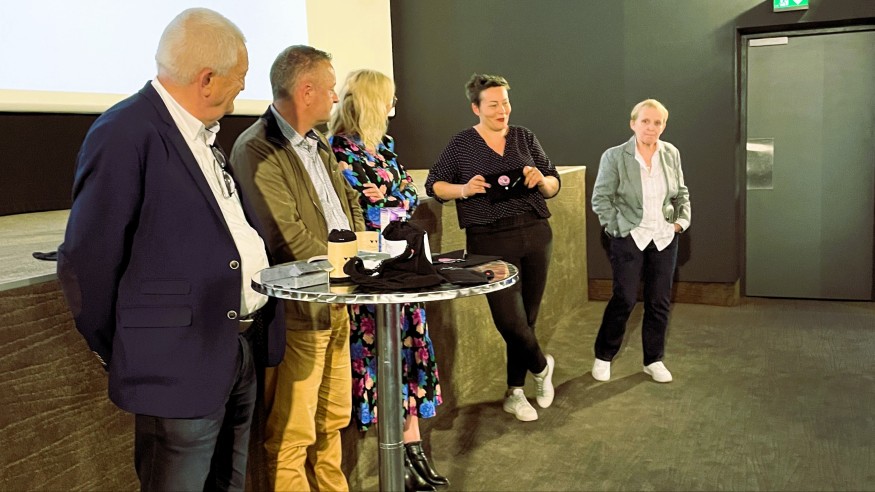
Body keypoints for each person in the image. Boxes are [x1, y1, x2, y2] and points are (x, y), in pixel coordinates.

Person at [56, 8, 286, 492]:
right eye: (240, 76)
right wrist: (128, 346)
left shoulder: (202, 135)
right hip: (176, 364)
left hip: (235, 348)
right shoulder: (125, 131)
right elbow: (87, 260)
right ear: (207, 79)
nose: (244, 88)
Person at [230, 45, 364, 492]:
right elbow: (284, 236)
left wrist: (358, 258)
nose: (335, 97)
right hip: (300, 312)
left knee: (333, 419)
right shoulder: (257, 148)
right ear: (306, 91)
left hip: (337, 301)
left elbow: (349, 207)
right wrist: (350, 267)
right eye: (329, 88)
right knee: (293, 433)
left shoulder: (318, 142)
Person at [328, 69, 447, 491]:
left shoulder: (385, 148)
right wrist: (392, 197)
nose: (394, 105)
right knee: (384, 361)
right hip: (372, 273)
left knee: (409, 357)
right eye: (389, 98)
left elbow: (409, 196)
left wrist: (392, 196)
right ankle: (402, 455)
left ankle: (414, 451)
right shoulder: (338, 150)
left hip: (403, 266)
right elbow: (365, 204)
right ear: (371, 101)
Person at [425, 73, 560, 423]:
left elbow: (553, 183)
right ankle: (542, 367)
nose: (502, 110)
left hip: (535, 231)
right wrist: (464, 190)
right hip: (488, 240)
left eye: (506, 103)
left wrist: (541, 180)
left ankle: (515, 392)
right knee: (510, 321)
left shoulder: (524, 136)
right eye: (494, 104)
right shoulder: (462, 144)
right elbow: (434, 185)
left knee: (527, 318)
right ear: (476, 108)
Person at [590, 98, 691, 384]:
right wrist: (618, 228)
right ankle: (604, 356)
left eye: (657, 122)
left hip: (664, 237)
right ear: (633, 123)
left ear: (664, 126)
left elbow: (681, 193)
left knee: (659, 301)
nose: (651, 127)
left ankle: (653, 360)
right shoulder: (614, 156)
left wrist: (680, 223)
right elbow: (601, 199)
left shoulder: (671, 153)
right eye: (645, 121)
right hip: (630, 237)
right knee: (624, 298)